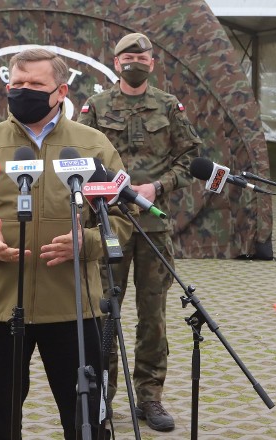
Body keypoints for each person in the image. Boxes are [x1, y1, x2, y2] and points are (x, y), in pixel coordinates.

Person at [0, 48, 133, 440]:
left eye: (35, 84)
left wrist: (88, 243)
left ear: (60, 91)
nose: (22, 91)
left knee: (86, 422)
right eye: (17, 83)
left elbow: (124, 222)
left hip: (73, 307)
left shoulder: (93, 146)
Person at [77, 33, 201, 432]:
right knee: (104, 312)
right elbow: (76, 160)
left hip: (152, 226)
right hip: (108, 224)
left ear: (151, 63)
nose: (133, 62)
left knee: (153, 317)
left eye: (141, 57)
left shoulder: (168, 106)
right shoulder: (94, 107)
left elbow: (190, 158)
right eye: (126, 57)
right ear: (115, 63)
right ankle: (102, 398)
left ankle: (150, 397)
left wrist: (158, 187)